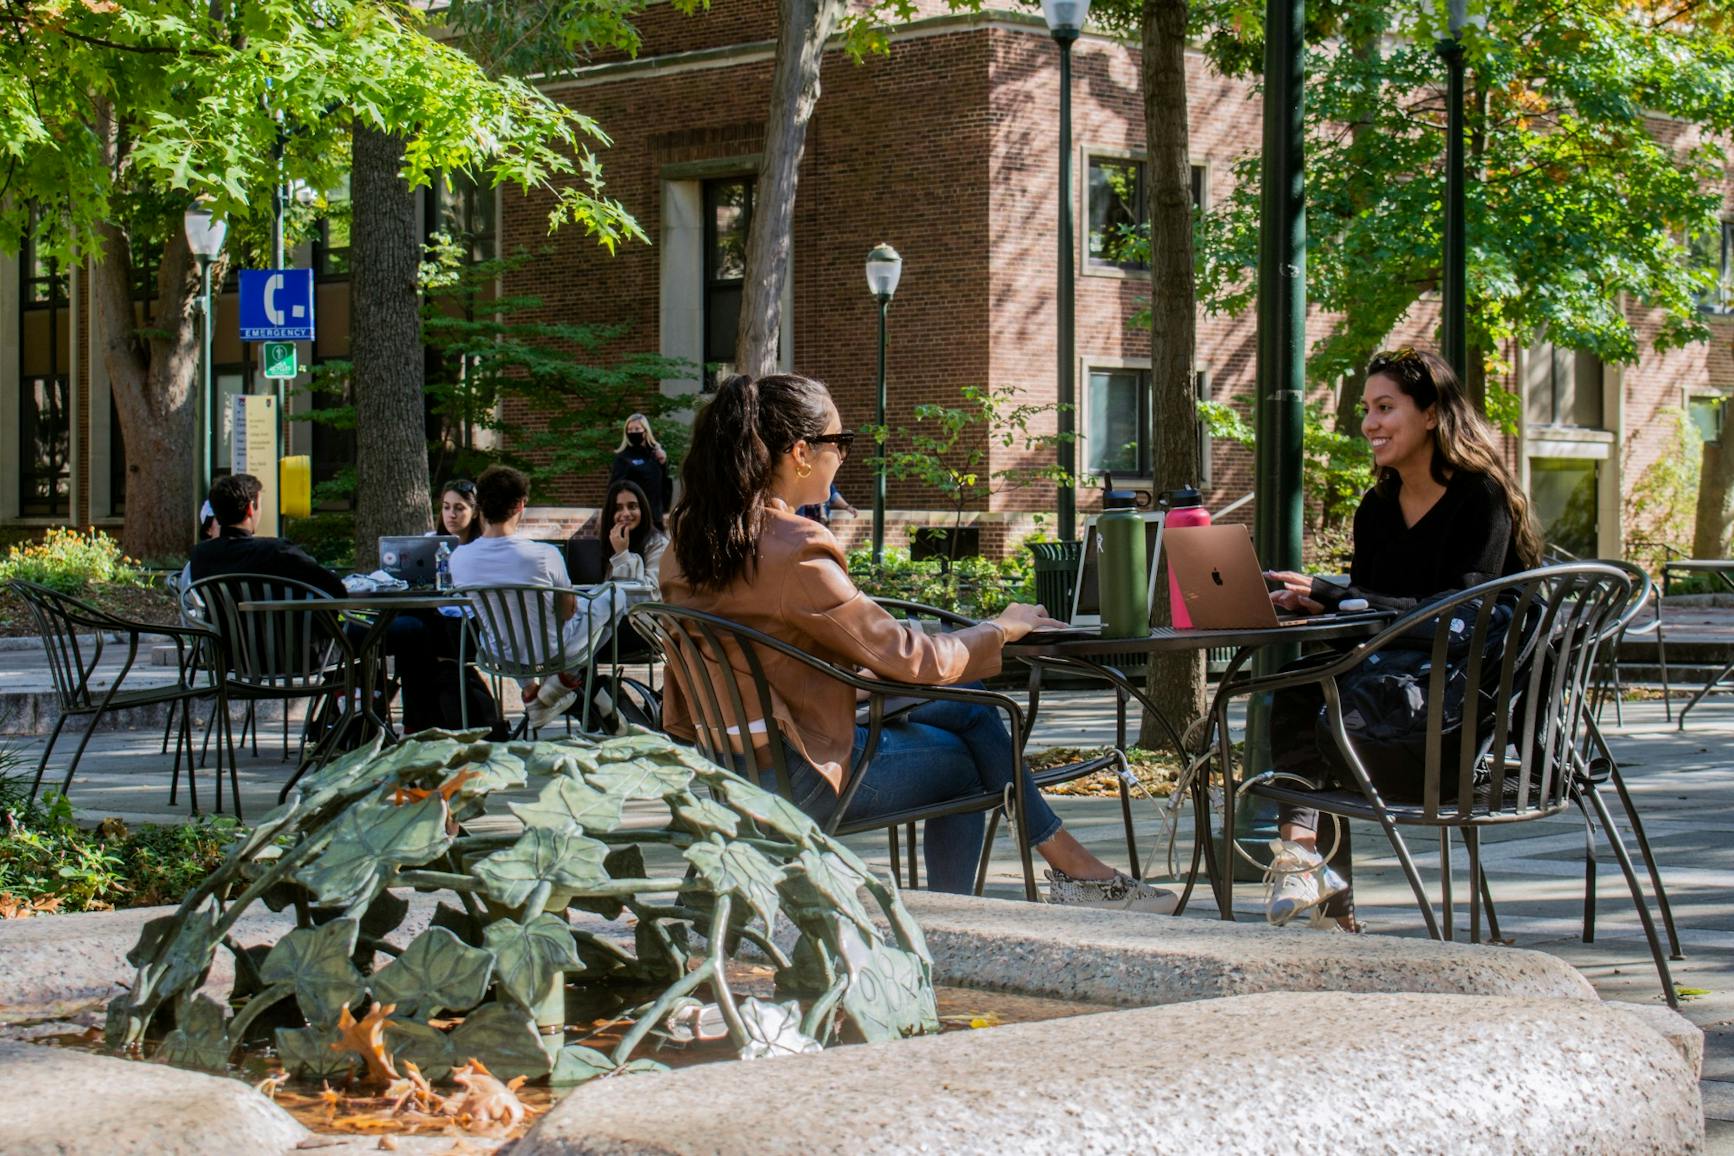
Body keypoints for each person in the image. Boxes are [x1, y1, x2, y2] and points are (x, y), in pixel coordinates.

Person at [661, 372, 1175, 908]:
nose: (845, 456)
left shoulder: (690, 542)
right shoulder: (797, 547)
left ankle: (1075, 869)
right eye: (841, 442)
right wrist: (1001, 628)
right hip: (796, 778)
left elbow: (813, 646)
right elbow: (908, 657)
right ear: (800, 453)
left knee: (973, 712)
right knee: (971, 766)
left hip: (726, 763)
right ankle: (964, 919)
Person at [1257, 347, 1541, 930]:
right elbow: (1380, 611)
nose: (1369, 424)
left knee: (1319, 708)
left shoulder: (1481, 497)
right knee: (1301, 686)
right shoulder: (1377, 506)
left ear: (1432, 413)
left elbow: (1461, 617)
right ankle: (1306, 867)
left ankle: (1310, 876)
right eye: (1366, 409)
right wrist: (1323, 600)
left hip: (1458, 734)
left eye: (1386, 407)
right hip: (1390, 709)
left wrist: (1339, 595)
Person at [189, 473, 442, 732]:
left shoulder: (200, 558)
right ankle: (419, 728)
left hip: (235, 660)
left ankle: (356, 721)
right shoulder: (277, 552)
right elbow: (334, 590)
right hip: (305, 655)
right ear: (251, 507)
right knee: (413, 629)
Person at [448, 465, 622, 731]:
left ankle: (531, 693)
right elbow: (567, 612)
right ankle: (560, 683)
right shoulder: (544, 554)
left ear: (480, 505)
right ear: (521, 505)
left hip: (500, 655)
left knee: (503, 628)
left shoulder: (458, 559)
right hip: (554, 653)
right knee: (616, 595)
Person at [599, 479, 667, 598]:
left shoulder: (658, 544)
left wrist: (622, 555)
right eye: (618, 508)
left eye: (632, 506)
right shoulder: (608, 544)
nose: (626, 513)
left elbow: (650, 594)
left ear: (642, 509)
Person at [609, 413, 674, 519]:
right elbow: (614, 488)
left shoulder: (656, 456)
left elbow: (664, 483)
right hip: (635, 517)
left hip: (656, 516)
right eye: (629, 430)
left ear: (645, 431)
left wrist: (665, 510)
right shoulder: (623, 457)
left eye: (637, 429)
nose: (633, 432)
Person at [433, 479, 482, 545]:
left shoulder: (484, 548)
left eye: (459, 508)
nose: (452, 515)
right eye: (446, 507)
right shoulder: (429, 543)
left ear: (475, 512)